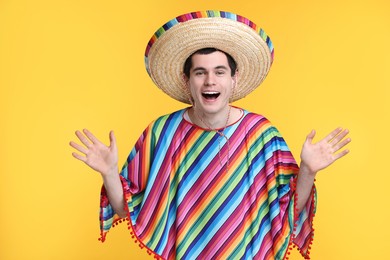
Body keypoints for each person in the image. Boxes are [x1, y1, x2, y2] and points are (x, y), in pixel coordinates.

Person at [69, 11, 350, 260]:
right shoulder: (162, 133)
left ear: (233, 79)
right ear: (187, 81)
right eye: (200, 72)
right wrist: (108, 172)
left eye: (219, 71)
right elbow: (125, 209)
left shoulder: (261, 134)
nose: (210, 81)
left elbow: (290, 210)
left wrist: (309, 171)